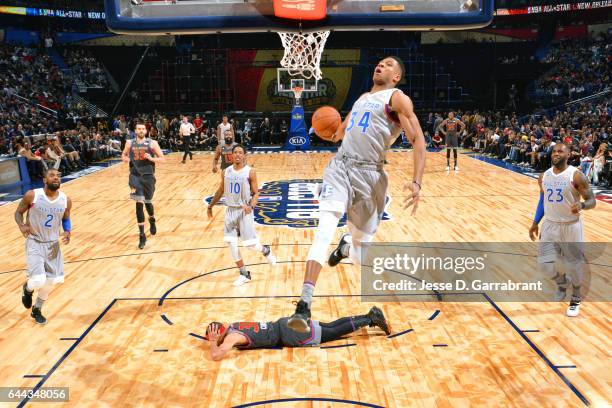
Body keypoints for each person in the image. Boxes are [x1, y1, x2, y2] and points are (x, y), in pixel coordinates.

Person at [288, 56, 426, 333]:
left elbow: (418, 140)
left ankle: (347, 246)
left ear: (396, 76)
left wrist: (416, 182)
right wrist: (325, 129)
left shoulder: (397, 99)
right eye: (380, 63)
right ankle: (303, 304)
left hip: (371, 176)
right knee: (323, 230)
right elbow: (338, 134)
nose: (381, 65)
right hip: (340, 168)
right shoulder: (362, 98)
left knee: (361, 255)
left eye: (388, 65)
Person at [529, 143, 596, 317]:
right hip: (550, 225)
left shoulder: (576, 175)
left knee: (574, 266)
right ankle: (561, 283)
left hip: (570, 225)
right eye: (554, 151)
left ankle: (575, 298)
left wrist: (582, 204)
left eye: (560, 151)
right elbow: (542, 201)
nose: (555, 154)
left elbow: (592, 201)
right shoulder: (544, 176)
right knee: (544, 265)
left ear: (569, 154)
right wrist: (535, 222)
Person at [205, 306, 390, 360]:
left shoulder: (231, 337)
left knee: (333, 332)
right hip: (284, 323)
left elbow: (216, 355)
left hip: (289, 334)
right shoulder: (232, 325)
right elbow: (222, 325)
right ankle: (368, 315)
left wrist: (213, 342)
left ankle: (370, 319)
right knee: (331, 326)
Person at [207, 144, 276, 285]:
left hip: (244, 211)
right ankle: (244, 274)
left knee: (250, 245)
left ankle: (265, 250)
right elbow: (220, 190)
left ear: (244, 155)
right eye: (235, 152)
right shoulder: (225, 171)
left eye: (240, 152)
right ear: (231, 155)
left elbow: (256, 193)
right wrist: (211, 205)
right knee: (232, 244)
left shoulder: (250, 172)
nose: (237, 155)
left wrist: (251, 206)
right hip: (230, 211)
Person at [14, 168, 72, 324]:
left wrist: (67, 231)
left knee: (51, 281)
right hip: (35, 242)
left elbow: (66, 218)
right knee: (38, 280)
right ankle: (28, 288)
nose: (56, 178)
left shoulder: (65, 200)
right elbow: (18, 213)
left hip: (53, 245)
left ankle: (37, 309)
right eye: (52, 175)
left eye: (58, 176)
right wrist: (21, 225)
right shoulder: (33, 195)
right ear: (44, 180)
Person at [121, 121, 165, 249]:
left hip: (148, 177)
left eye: (143, 129)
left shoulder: (152, 143)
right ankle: (141, 235)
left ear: (146, 131)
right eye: (138, 129)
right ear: (135, 131)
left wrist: (151, 159)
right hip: (135, 177)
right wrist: (126, 159)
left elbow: (162, 158)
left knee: (148, 202)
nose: (141, 131)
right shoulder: (129, 143)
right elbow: (123, 155)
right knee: (139, 203)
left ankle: (152, 219)